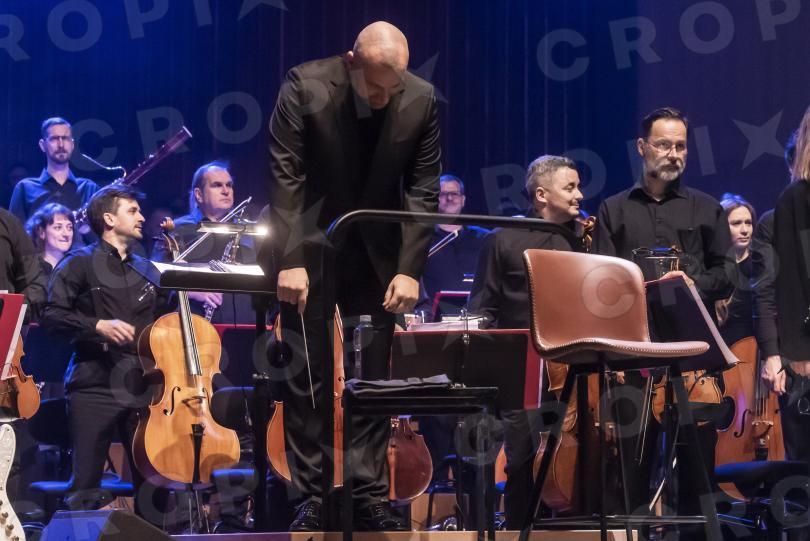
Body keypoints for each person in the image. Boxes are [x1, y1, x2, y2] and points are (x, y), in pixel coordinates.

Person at [266, 21, 440, 531]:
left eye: (394, 87)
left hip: (379, 250)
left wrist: (409, 269)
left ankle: (367, 494)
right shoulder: (305, 85)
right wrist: (290, 258)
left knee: (373, 378)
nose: (385, 97)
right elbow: (286, 173)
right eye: (374, 86)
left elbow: (423, 188)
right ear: (351, 62)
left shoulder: (422, 98)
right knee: (308, 374)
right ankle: (310, 494)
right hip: (311, 245)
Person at [592, 107, 732, 537]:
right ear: (642, 147)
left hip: (692, 359)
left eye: (681, 146)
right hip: (632, 357)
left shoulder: (707, 208)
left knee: (697, 479)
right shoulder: (614, 209)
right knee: (628, 480)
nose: (674, 154)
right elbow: (598, 283)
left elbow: (728, 274)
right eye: (664, 145)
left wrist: (694, 282)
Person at [39, 185, 169, 521]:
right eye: (133, 210)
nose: (142, 217)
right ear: (109, 219)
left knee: (154, 483)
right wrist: (96, 325)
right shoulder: (78, 263)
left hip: (143, 385)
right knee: (84, 486)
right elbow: (51, 315)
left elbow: (164, 323)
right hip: (95, 383)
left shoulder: (148, 270)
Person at [468, 155, 584, 528]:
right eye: (570, 187)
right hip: (523, 371)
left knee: (580, 457)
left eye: (578, 186)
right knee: (522, 460)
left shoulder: (583, 238)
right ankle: (521, 530)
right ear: (541, 194)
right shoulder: (501, 239)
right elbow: (483, 309)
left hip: (576, 367)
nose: (580, 195)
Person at [764, 106, 810, 539]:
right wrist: (793, 352)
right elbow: (786, 283)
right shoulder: (795, 199)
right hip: (806, 354)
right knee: (804, 474)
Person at [152, 162, 256, 324]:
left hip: (245, 325)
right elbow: (154, 278)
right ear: (199, 194)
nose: (226, 191)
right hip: (195, 324)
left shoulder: (247, 231)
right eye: (217, 185)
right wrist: (189, 291)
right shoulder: (177, 230)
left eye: (229, 185)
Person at [419, 175, 488, 316]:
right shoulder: (422, 239)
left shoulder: (484, 238)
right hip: (433, 319)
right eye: (443, 194)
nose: (449, 198)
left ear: (463, 200)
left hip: (477, 317)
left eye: (454, 194)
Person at [9, 118, 99, 226]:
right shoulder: (25, 188)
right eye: (54, 139)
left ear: (72, 145)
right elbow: (14, 232)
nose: (61, 145)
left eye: (65, 138)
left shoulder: (89, 188)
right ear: (43, 145)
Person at [715, 194, 756, 346]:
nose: (745, 230)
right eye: (736, 223)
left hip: (753, 352)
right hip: (718, 351)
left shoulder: (760, 266)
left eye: (748, 223)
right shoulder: (712, 269)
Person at [25, 202, 75, 277]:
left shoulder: (78, 264)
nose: (66, 234)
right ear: (41, 232)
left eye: (69, 227)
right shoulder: (30, 268)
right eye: (58, 227)